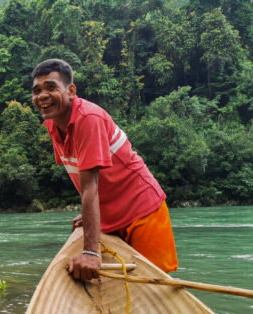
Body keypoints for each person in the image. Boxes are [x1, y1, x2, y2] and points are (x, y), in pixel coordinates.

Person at [31, 59, 178, 281]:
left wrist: (90, 253)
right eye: (37, 90)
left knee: (155, 287)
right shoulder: (53, 125)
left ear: (71, 91)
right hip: (111, 218)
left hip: (143, 212)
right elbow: (81, 177)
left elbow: (90, 185)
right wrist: (93, 217)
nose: (42, 95)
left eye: (51, 87)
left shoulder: (88, 118)